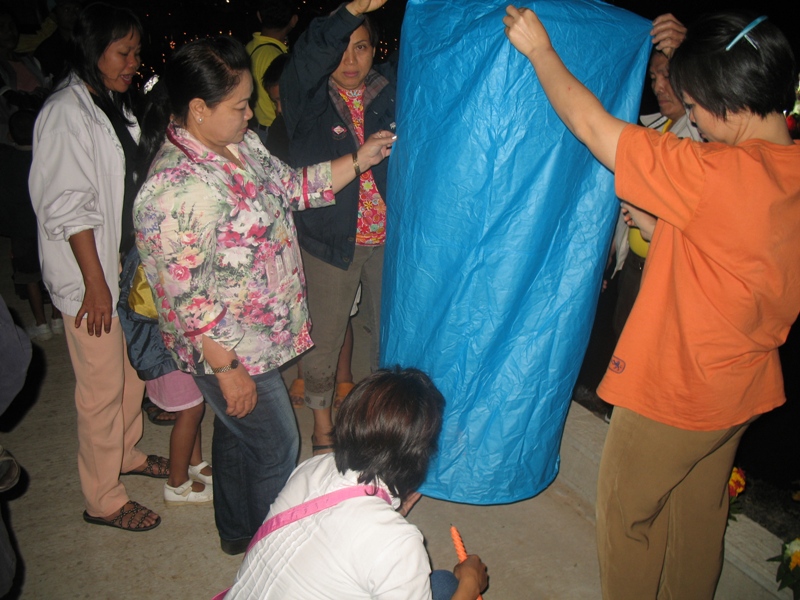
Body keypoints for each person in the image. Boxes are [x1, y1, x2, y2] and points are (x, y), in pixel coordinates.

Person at [504, 7, 800, 599]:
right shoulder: (788, 167)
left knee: (627, 516)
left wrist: (539, 51)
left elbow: (591, 125)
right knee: (698, 517)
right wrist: (670, 231)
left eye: (694, 109)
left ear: (728, 99)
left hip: (678, 389)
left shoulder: (712, 172)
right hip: (740, 387)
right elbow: (752, 257)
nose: (691, 120)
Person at [132, 35, 394, 554]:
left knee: (236, 438)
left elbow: (293, 186)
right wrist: (227, 370)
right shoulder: (175, 188)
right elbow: (188, 300)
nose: (251, 114)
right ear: (198, 110)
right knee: (278, 448)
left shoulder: (237, 145)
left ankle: (237, 535)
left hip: (257, 339)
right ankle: (274, 554)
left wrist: (360, 158)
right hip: (232, 350)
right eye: (239, 105)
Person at [29, 2, 167, 533]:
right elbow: (69, 205)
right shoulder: (65, 113)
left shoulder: (111, 101)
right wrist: (96, 285)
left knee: (131, 374)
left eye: (136, 51)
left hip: (121, 267)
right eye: (123, 51)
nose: (134, 61)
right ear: (92, 50)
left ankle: (126, 454)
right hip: (92, 277)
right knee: (100, 388)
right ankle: (102, 497)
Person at [222, 368, 489, 599]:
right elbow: (370, 540)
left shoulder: (313, 467)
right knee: (446, 585)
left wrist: (390, 514)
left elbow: (342, 529)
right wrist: (469, 584)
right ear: (419, 454)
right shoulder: (397, 544)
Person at [281, 0, 397, 455]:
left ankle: (375, 420)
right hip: (329, 239)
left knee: (383, 334)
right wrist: (350, 12)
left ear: (375, 51)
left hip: (388, 240)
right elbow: (309, 55)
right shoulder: (308, 97)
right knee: (324, 338)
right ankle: (323, 428)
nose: (350, 61)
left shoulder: (389, 91)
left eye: (362, 48)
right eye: (342, 50)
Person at [0, 109, 63, 341]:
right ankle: (58, 318)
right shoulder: (45, 159)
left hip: (21, 229)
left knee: (30, 278)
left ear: (9, 135)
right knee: (54, 272)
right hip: (47, 226)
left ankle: (41, 323)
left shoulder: (6, 161)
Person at [245, 0, 297, 146]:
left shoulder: (250, 47)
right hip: (275, 131)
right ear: (293, 21)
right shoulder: (275, 57)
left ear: (259, 16)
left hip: (259, 128)